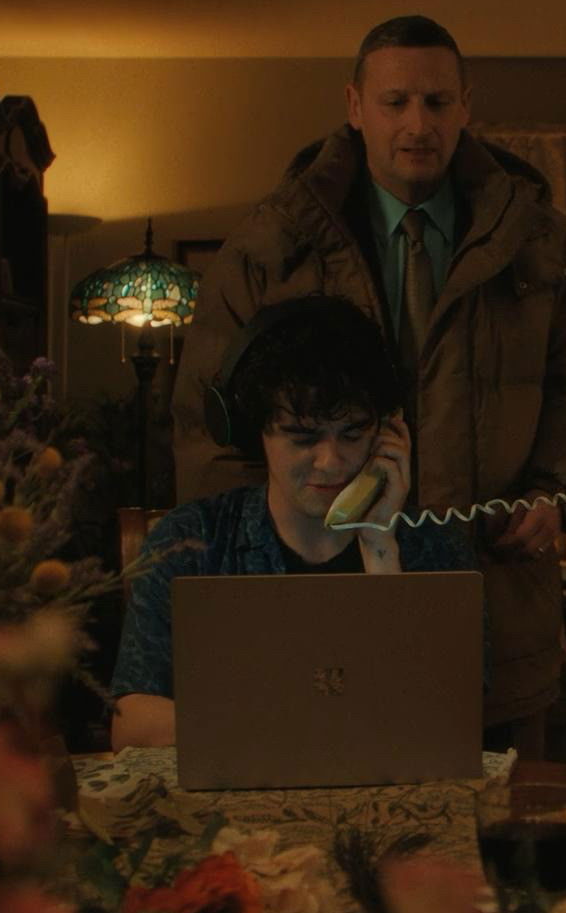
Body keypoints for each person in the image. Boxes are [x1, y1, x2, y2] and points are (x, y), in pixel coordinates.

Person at [172, 15, 566, 753]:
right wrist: (266, 563)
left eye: (437, 101)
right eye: (395, 102)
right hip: (313, 608)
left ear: (465, 106)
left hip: (496, 604)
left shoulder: (542, 241)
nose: (418, 124)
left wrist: (558, 490)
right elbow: (211, 425)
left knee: (500, 818)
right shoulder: (271, 245)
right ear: (355, 106)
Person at [113, 295, 474, 750]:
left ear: (388, 431)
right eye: (303, 438)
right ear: (255, 433)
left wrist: (381, 550)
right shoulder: (191, 541)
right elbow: (131, 725)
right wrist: (300, 724)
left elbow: (445, 721)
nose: (330, 462)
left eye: (353, 433)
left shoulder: (435, 546)